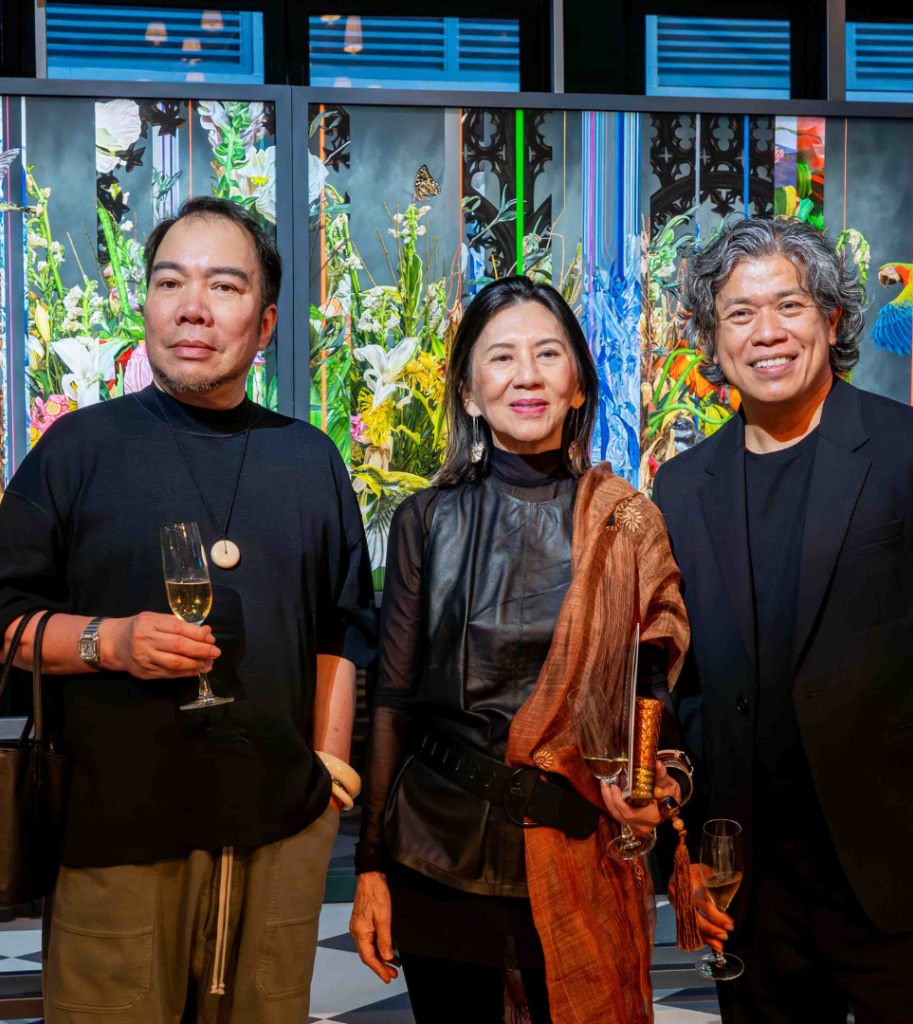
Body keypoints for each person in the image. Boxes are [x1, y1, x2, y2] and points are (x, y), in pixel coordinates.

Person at [0, 197, 377, 1023]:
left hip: (280, 831)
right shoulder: (78, 449)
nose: (192, 307)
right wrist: (109, 642)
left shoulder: (308, 459)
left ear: (265, 322)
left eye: (224, 286)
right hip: (116, 834)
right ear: (146, 303)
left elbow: (341, 629)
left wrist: (331, 773)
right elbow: (6, 616)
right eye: (170, 282)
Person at [653, 217, 913, 1023]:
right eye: (739, 313)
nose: (766, 332)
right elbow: (683, 690)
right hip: (752, 889)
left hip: (901, 872)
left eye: (789, 305)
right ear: (712, 339)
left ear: (831, 318)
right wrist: (689, 848)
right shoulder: (681, 489)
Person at [349, 275, 691, 1024]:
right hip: (436, 850)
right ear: (469, 392)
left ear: (577, 385)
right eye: (501, 357)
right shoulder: (425, 520)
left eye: (547, 354)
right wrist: (368, 866)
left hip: (579, 841)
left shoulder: (626, 525)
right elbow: (393, 700)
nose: (526, 376)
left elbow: (652, 686)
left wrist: (641, 785)